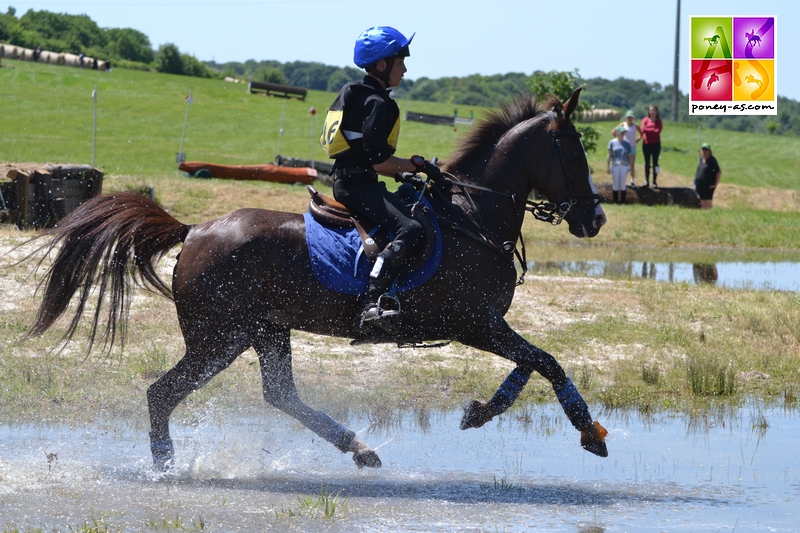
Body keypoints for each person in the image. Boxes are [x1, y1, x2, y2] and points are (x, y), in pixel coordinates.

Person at [320, 26, 443, 334]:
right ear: (381, 65)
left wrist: (405, 173)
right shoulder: (378, 103)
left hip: (354, 180)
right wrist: (420, 165)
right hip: (358, 185)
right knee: (410, 227)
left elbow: (368, 157)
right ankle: (372, 302)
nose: (405, 68)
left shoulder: (357, 93)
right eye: (400, 61)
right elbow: (379, 161)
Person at [612, 110, 642, 187]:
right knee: (623, 163)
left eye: (631, 117)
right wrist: (619, 139)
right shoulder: (623, 125)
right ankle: (622, 180)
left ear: (633, 118)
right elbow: (613, 131)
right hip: (624, 147)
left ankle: (632, 180)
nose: (629, 119)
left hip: (632, 146)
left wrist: (637, 140)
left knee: (632, 164)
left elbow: (641, 134)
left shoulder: (636, 126)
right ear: (626, 118)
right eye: (628, 117)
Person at [607, 125, 632, 204]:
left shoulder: (627, 143)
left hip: (624, 165)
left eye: (624, 133)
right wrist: (608, 166)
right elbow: (609, 155)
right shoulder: (612, 142)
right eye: (621, 132)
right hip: (615, 165)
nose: (623, 134)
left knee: (623, 184)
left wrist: (631, 167)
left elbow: (629, 156)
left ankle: (623, 201)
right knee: (615, 184)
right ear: (617, 133)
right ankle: (615, 201)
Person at [640, 105, 663, 188]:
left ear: (657, 112)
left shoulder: (659, 121)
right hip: (646, 144)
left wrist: (648, 130)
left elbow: (658, 131)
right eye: (651, 110)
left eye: (654, 110)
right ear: (648, 111)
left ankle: (654, 181)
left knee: (655, 163)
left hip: (656, 144)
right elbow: (643, 130)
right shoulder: (645, 120)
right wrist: (653, 129)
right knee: (647, 163)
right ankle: (646, 181)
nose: (652, 112)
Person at [694, 142, 721, 209]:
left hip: (708, 186)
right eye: (703, 149)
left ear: (709, 151)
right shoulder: (701, 160)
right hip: (700, 186)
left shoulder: (712, 161)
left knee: (707, 203)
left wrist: (715, 184)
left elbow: (718, 172)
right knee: (701, 202)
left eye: (706, 150)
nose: (704, 151)